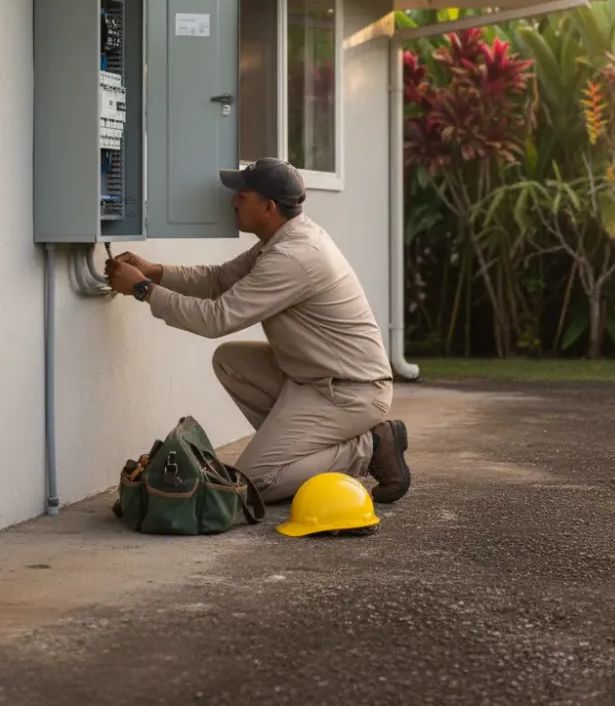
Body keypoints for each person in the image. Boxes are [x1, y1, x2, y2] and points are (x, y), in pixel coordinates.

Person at [105, 157, 411, 506]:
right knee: (230, 361)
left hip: (348, 390)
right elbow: (218, 280)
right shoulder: (281, 240)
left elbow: (216, 319)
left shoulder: (294, 257)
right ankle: (299, 452)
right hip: (312, 378)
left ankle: (369, 446)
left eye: (243, 196)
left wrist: (144, 290)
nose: (233, 200)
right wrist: (156, 271)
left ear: (267, 207)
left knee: (257, 484)